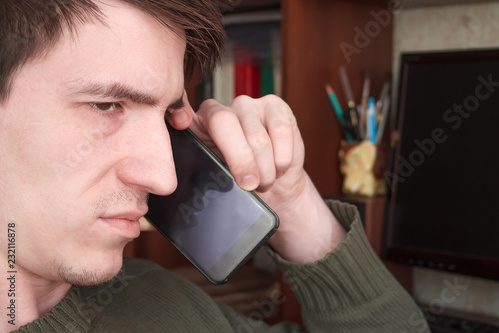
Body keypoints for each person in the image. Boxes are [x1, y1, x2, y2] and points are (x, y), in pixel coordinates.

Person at [0, 0, 430, 332]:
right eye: (106, 105)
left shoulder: (161, 304)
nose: (164, 179)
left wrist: (289, 200)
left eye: (167, 118)